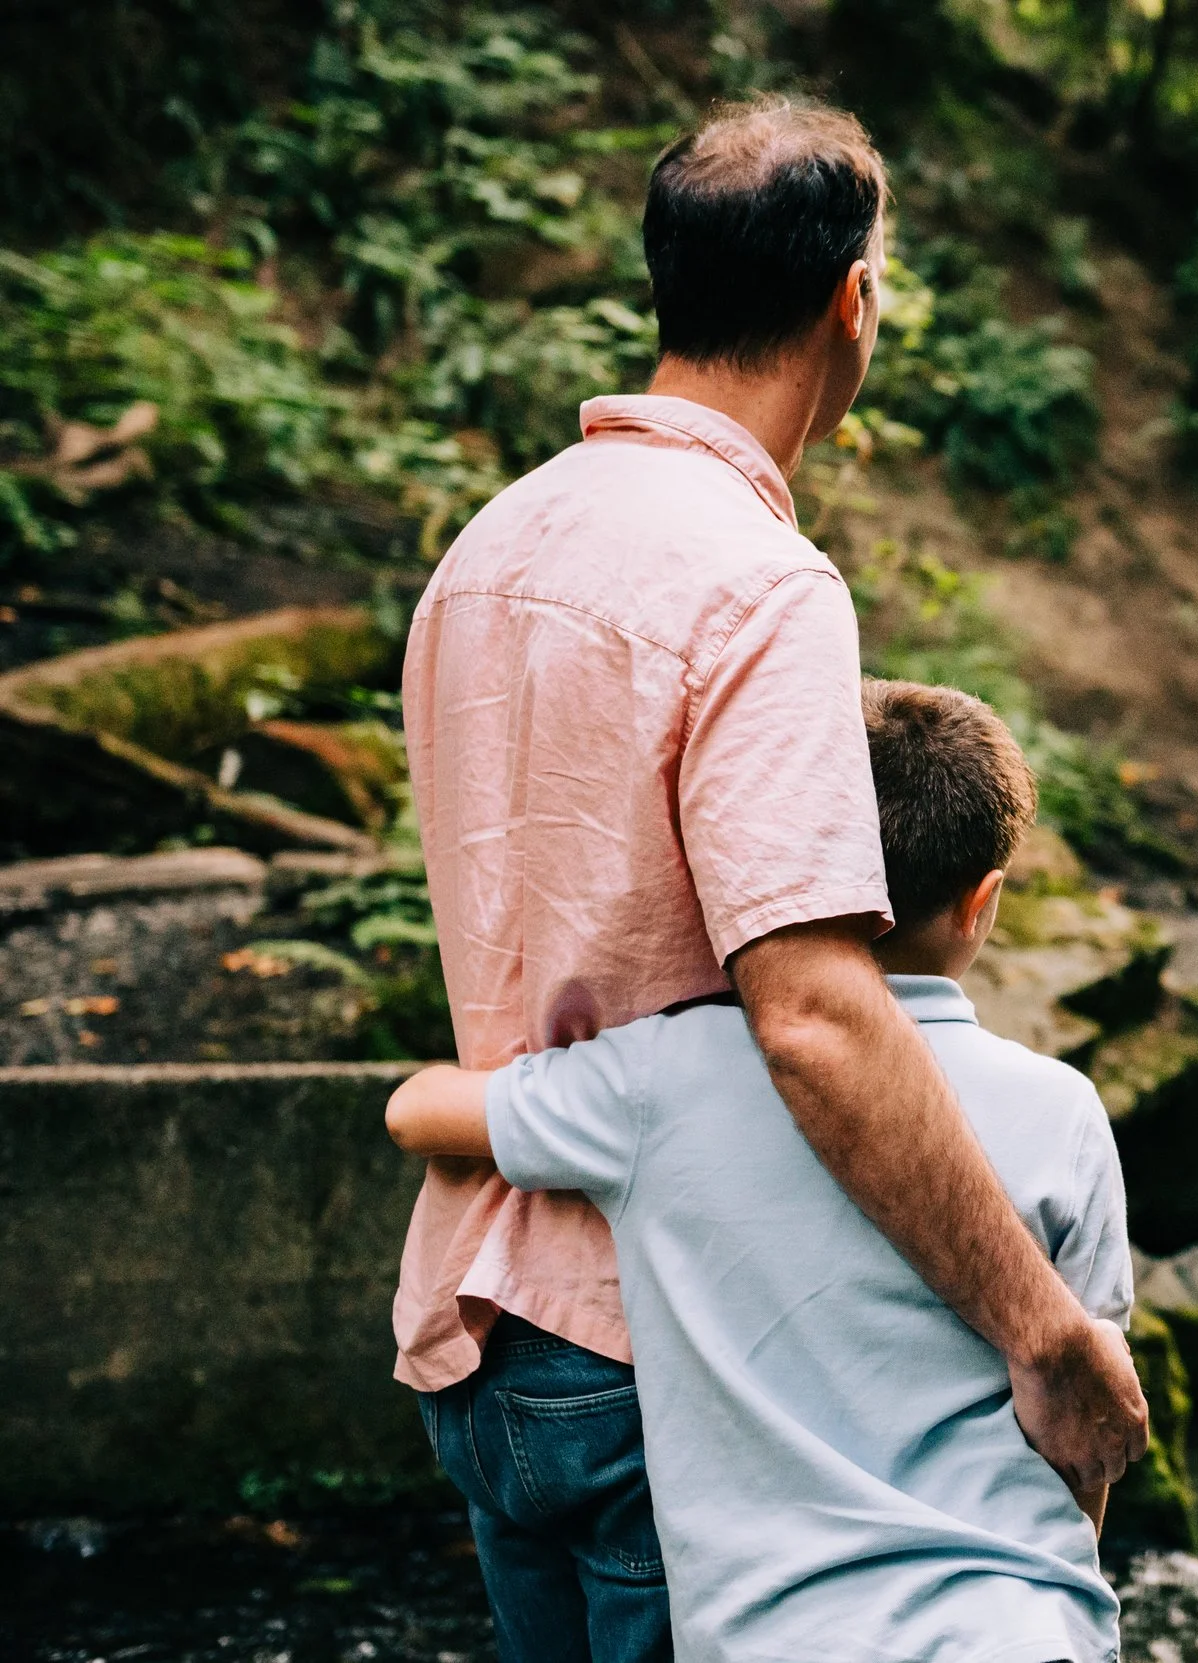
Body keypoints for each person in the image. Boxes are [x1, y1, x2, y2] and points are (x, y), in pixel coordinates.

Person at [395, 97, 1145, 1663]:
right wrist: (1043, 1329)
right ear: (853, 299)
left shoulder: (487, 549)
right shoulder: (755, 584)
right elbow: (809, 1015)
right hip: (670, 1343)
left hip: (479, 1316)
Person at [385, 682, 1130, 1663]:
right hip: (1015, 1627)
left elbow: (415, 1111)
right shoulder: (1064, 1110)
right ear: (981, 900)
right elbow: (1088, 1426)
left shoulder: (660, 1077)